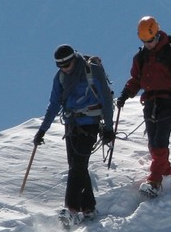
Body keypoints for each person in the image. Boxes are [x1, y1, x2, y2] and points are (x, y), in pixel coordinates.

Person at [33, 44, 114, 221]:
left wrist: (109, 128)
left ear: (73, 60)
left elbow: (107, 99)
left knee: (77, 164)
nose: (65, 69)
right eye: (61, 67)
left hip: (90, 123)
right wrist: (42, 130)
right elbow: (54, 104)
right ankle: (89, 208)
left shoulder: (91, 70)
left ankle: (71, 208)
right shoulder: (60, 77)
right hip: (71, 125)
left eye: (67, 65)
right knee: (77, 166)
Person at [116, 16, 171, 196]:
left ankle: (155, 181)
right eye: (144, 41)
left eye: (150, 40)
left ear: (157, 34)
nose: (147, 44)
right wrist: (126, 94)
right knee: (152, 144)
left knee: (160, 142)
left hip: (170, 101)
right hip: (150, 102)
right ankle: (167, 175)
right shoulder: (140, 57)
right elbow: (136, 79)